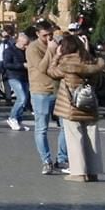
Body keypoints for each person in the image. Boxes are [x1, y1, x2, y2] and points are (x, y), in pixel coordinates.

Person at [51, 34, 105, 181]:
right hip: (90, 103)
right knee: (92, 136)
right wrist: (87, 51)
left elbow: (52, 72)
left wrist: (56, 57)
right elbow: (99, 81)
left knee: (74, 137)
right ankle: (93, 172)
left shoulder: (65, 63)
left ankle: (78, 173)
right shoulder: (91, 62)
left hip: (72, 105)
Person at [25, 21, 69, 174]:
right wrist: (51, 52)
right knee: (41, 128)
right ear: (37, 34)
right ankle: (46, 160)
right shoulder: (32, 48)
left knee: (66, 126)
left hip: (58, 90)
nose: (49, 38)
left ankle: (62, 159)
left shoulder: (58, 44)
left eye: (51, 34)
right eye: (45, 35)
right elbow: (42, 68)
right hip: (41, 91)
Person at [0, 31, 31, 130]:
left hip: (25, 77)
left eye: (27, 45)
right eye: (24, 44)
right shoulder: (9, 51)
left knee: (25, 99)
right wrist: (22, 65)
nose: (26, 47)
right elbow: (6, 64)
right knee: (21, 97)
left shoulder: (26, 51)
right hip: (13, 76)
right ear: (19, 41)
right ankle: (12, 117)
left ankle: (18, 119)